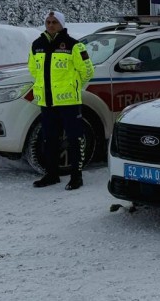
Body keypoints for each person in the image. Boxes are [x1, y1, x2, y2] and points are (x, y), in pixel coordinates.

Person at [28, 11, 94, 190]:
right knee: (49, 140)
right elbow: (33, 69)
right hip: (47, 102)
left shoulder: (74, 45)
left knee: (74, 139)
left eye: (54, 22)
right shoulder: (37, 44)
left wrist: (73, 86)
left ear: (62, 24)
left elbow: (88, 71)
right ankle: (51, 175)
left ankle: (76, 177)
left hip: (69, 102)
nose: (50, 25)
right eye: (48, 22)